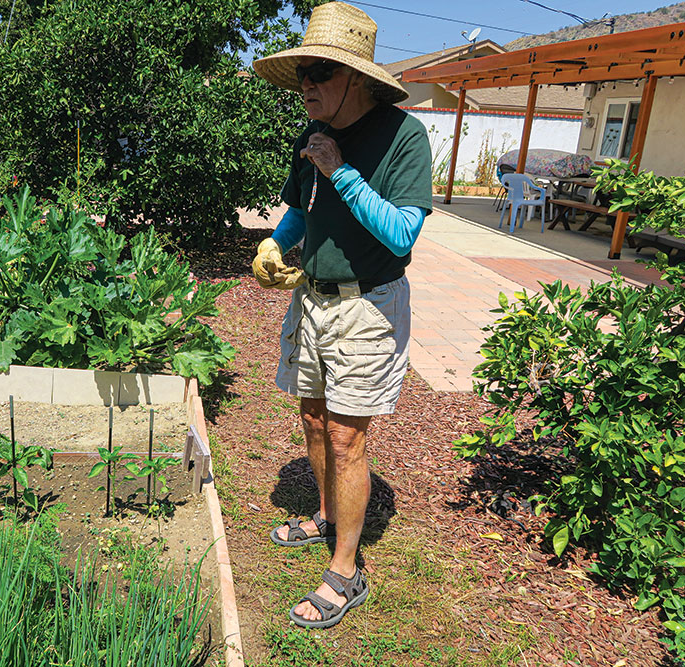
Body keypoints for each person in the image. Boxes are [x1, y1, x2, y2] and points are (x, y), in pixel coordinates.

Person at [251, 1, 433, 629]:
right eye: (302, 73)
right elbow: (301, 208)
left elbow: (402, 235)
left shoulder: (403, 137)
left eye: (319, 74)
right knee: (311, 414)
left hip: (366, 305)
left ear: (356, 78)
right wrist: (277, 241)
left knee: (347, 436)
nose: (306, 85)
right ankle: (326, 514)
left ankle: (346, 571)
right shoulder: (307, 136)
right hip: (312, 300)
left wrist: (343, 173)